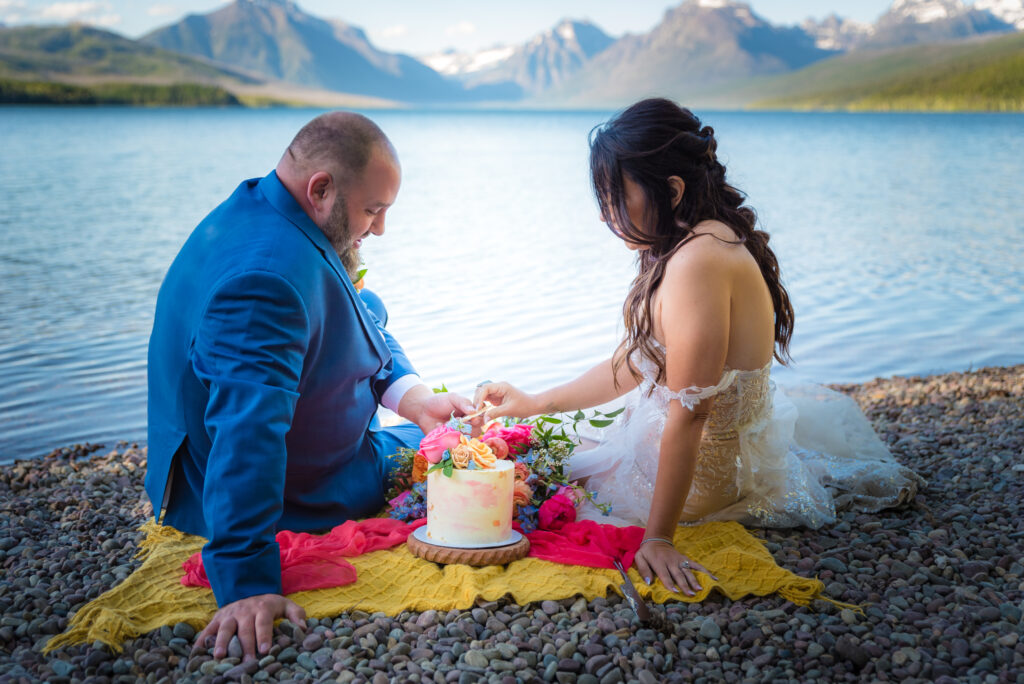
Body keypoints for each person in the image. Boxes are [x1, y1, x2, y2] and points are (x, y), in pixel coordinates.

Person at [475, 98, 920, 600]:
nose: (604, 216)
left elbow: (691, 414)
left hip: (704, 485)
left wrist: (659, 538)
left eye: (614, 196)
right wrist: (537, 400)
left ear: (673, 190)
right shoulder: (696, 243)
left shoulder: (699, 263)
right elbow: (639, 364)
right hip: (705, 454)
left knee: (542, 486)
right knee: (545, 443)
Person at [145, 112, 473, 661]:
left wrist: (410, 397)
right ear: (321, 189)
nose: (381, 229)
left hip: (288, 445)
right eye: (373, 211)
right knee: (468, 454)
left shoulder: (269, 209)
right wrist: (248, 584)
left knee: (443, 426)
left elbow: (357, 310)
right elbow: (246, 432)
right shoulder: (266, 281)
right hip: (305, 484)